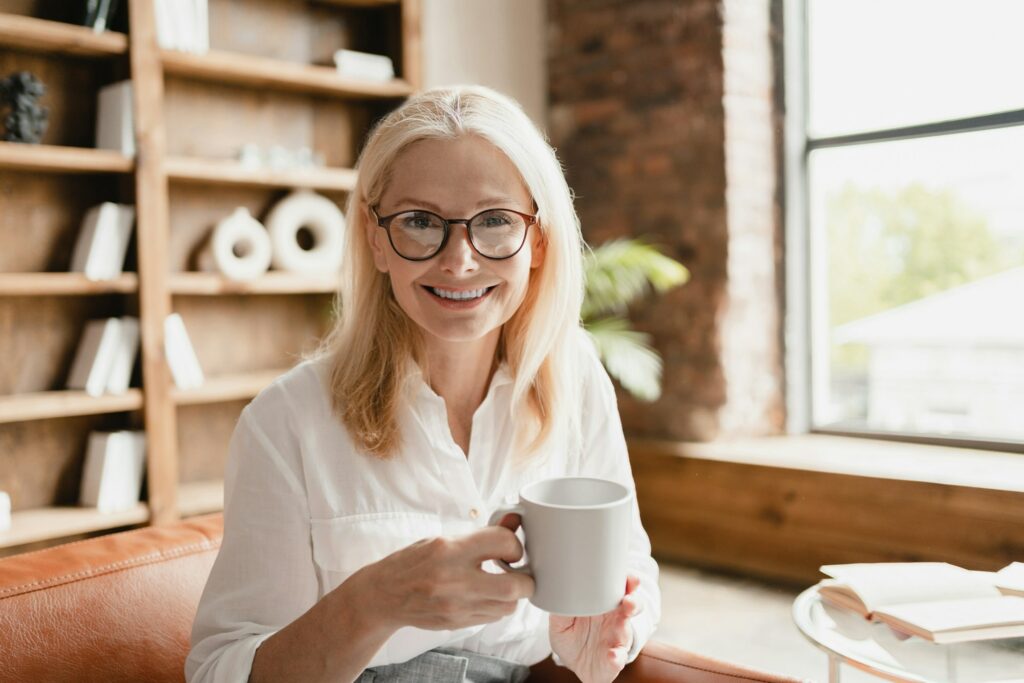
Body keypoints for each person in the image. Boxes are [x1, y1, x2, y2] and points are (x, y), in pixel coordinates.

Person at [186, 85, 661, 683]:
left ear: (538, 240)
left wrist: (609, 637)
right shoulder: (286, 422)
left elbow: (631, 562)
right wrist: (375, 600)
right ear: (376, 238)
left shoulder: (575, 376)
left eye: (494, 221)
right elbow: (218, 672)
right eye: (418, 222)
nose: (459, 260)